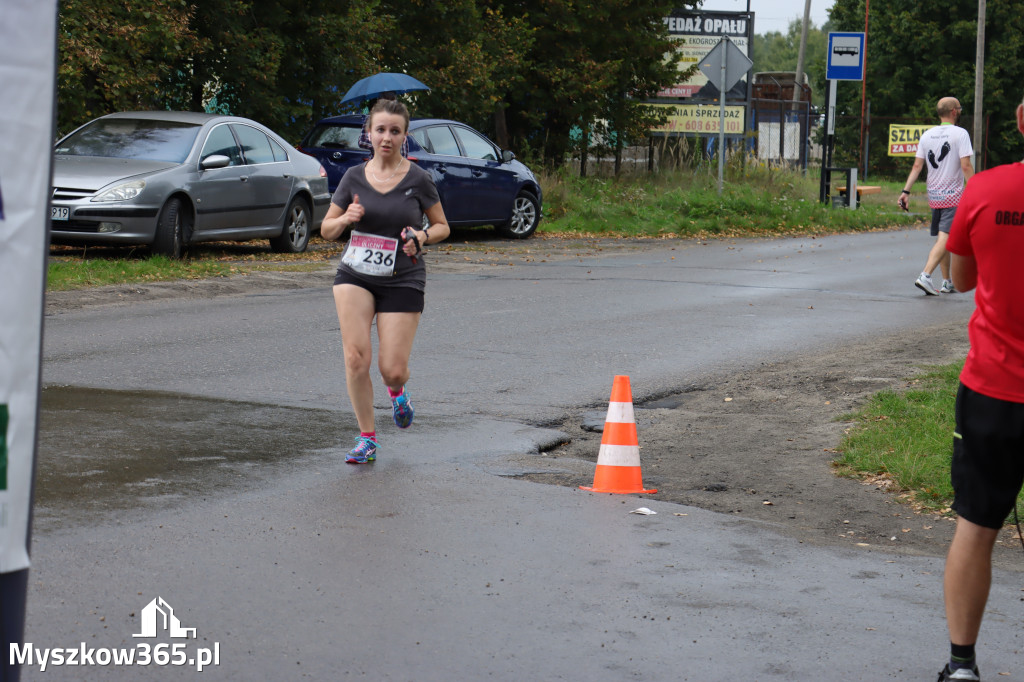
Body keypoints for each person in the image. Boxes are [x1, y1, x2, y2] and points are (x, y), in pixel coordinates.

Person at [937, 95, 1024, 682]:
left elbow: (960, 279)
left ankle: (962, 666)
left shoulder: (988, 189)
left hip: (995, 390)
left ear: (1021, 123)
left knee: (976, 526)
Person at [320, 98, 450, 464]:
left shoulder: (418, 179)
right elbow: (327, 230)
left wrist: (422, 237)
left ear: (405, 135)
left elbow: (442, 226)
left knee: (391, 368)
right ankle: (367, 438)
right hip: (355, 274)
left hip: (402, 277)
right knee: (356, 358)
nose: (386, 137)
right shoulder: (353, 177)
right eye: (380, 130)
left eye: (395, 131)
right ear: (369, 133)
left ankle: (398, 392)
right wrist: (346, 218)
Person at [897, 97, 974, 295]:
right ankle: (926, 275)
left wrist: (906, 191)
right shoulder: (961, 134)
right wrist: (976, 189)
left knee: (943, 236)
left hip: (935, 194)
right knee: (946, 238)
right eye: (960, 108)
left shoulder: (927, 135)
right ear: (955, 112)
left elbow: (917, 166)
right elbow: (965, 166)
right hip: (953, 195)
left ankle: (947, 281)